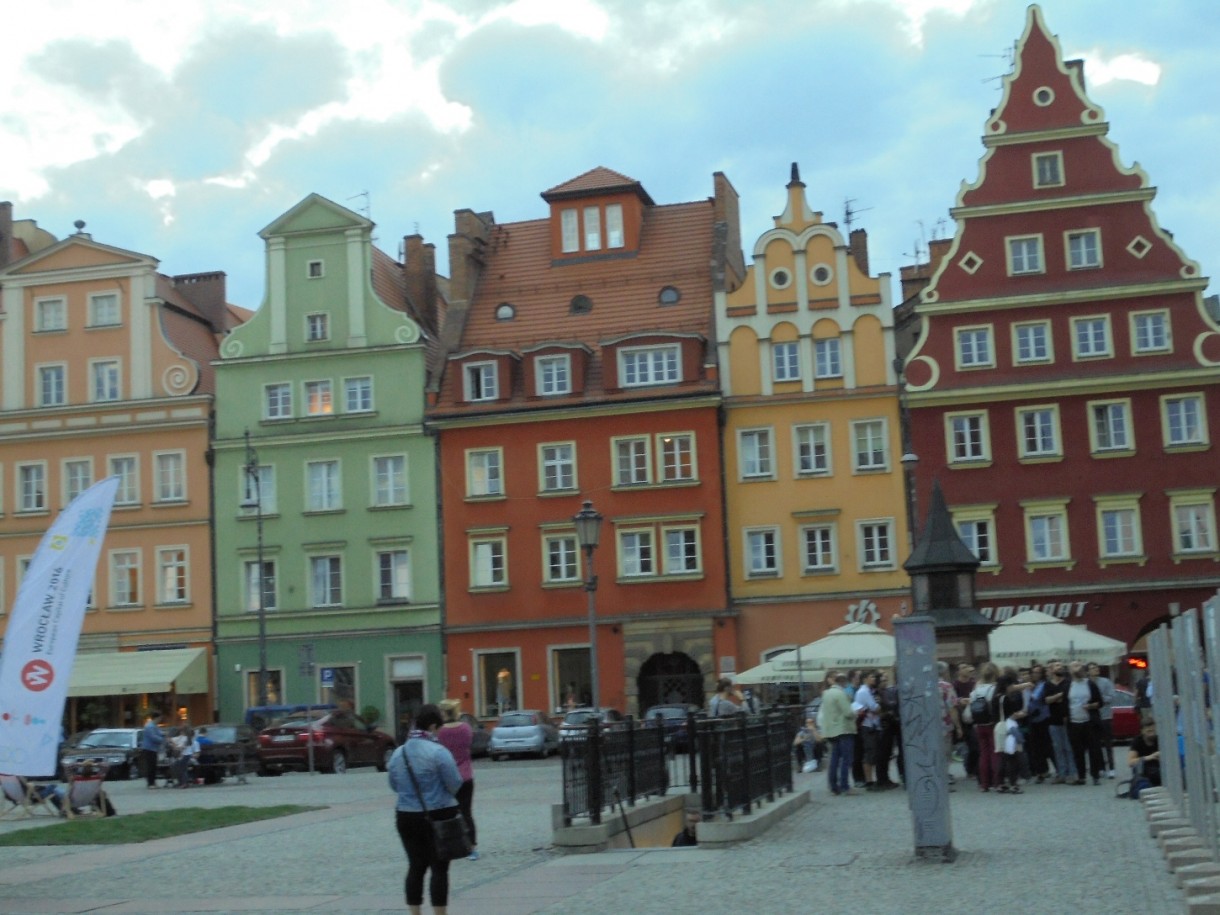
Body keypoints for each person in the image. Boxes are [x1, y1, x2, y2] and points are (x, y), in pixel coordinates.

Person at [389, 704, 463, 915]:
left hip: (405, 816)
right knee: (439, 868)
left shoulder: (398, 753)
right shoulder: (439, 752)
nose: (439, 733)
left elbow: (394, 785)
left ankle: (415, 912)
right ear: (432, 726)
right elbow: (455, 783)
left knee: (416, 866)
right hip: (439, 815)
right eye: (439, 728)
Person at [436, 699, 479, 862]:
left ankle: (447, 845)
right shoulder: (466, 728)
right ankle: (472, 847)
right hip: (466, 776)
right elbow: (469, 746)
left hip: (447, 776)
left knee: (446, 813)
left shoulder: (440, 732)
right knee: (467, 812)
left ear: (444, 713)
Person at [1066, 661, 1105, 785]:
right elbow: (1064, 704)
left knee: (1094, 749)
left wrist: (1091, 705)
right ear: (1070, 670)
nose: (1078, 668)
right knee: (1077, 750)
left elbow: (1100, 702)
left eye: (1079, 666)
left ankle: (1095, 775)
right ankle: (1081, 776)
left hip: (1089, 721)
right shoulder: (1068, 685)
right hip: (1073, 722)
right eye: (1075, 666)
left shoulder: (1089, 684)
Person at [820, 672, 858, 796]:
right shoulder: (840, 694)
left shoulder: (826, 694)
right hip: (843, 729)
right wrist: (855, 714)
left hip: (831, 730)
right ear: (842, 682)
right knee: (846, 759)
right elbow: (847, 712)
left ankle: (833, 785)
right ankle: (845, 786)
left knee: (834, 759)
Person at [967, 662, 1000, 792]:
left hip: (979, 725)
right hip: (992, 724)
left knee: (983, 754)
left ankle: (984, 784)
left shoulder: (975, 691)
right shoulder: (993, 689)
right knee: (994, 753)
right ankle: (997, 781)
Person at [1044, 661, 1076, 784]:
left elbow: (1068, 698)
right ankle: (1061, 773)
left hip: (1067, 719)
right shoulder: (1048, 684)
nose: (1060, 667)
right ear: (1051, 670)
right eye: (1057, 666)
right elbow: (1047, 700)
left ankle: (1072, 773)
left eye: (1061, 666)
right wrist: (1059, 696)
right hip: (1053, 720)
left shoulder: (1068, 683)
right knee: (1058, 748)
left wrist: (1055, 698)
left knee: (1068, 747)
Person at [1088, 663, 1117, 777]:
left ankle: (1111, 767)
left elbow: (1111, 696)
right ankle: (1101, 767)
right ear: (1088, 671)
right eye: (1093, 668)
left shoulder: (1105, 681)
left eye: (1096, 668)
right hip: (1092, 716)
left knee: (1108, 743)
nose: (1096, 670)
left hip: (1105, 715)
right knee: (1096, 744)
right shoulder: (1087, 683)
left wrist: (1099, 700)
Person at [1127, 718, 1161, 792]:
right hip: (1143, 771)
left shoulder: (1159, 740)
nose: (1152, 734)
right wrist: (1150, 757)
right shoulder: (1137, 741)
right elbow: (1130, 762)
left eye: (1153, 731)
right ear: (1142, 731)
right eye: (1148, 731)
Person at [139, 711, 165, 788]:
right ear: (156, 718)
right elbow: (153, 737)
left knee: (153, 766)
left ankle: (153, 782)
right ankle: (150, 783)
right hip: (149, 749)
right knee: (151, 766)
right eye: (160, 718)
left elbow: (159, 733)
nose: (161, 719)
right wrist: (162, 739)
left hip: (153, 749)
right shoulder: (150, 726)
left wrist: (163, 734)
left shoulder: (154, 726)